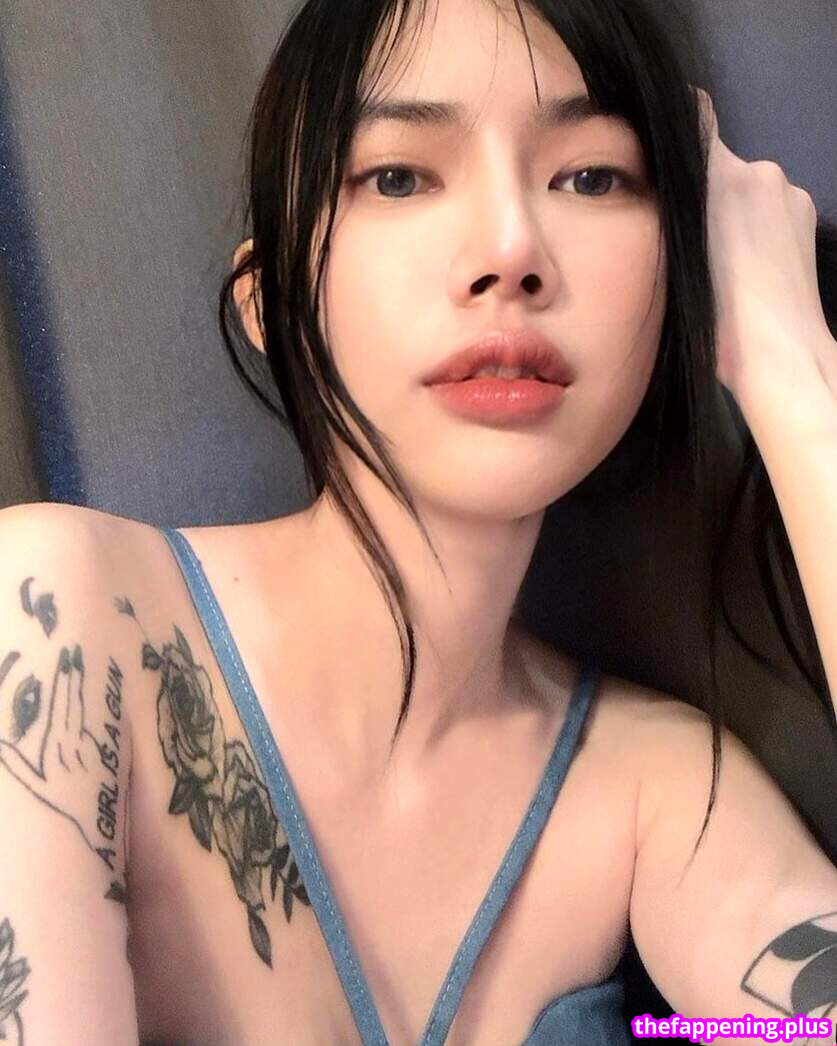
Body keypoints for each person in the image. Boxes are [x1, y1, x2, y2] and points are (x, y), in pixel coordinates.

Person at [0, 0, 835, 1043]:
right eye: (397, 177)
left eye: (591, 177)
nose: (511, 250)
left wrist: (792, 374)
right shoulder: (58, 619)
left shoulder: (660, 793)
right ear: (270, 305)